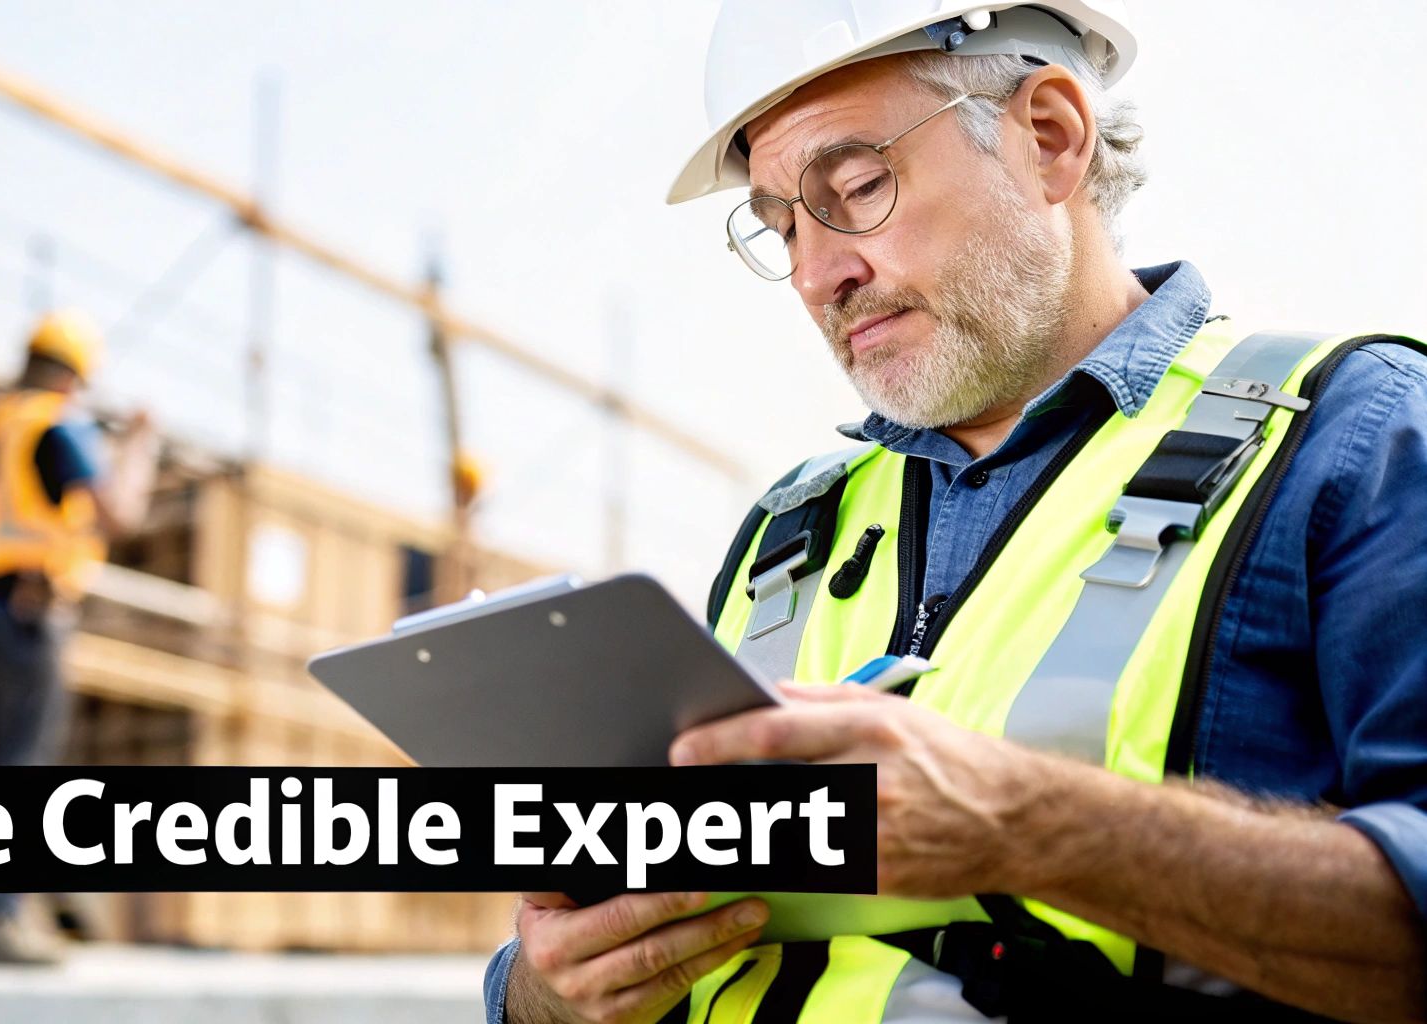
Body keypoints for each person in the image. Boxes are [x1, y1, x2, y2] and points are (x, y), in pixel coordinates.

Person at [487, 2, 1427, 1021]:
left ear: (1047, 138)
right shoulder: (786, 536)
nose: (815, 274)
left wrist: (1025, 827)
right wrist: (550, 986)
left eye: (854, 189)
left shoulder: (1348, 438)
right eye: (780, 225)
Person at [0, 309, 158, 964]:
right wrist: (140, 445)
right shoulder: (56, 424)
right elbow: (120, 513)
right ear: (73, 378)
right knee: (17, 768)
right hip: (30, 614)